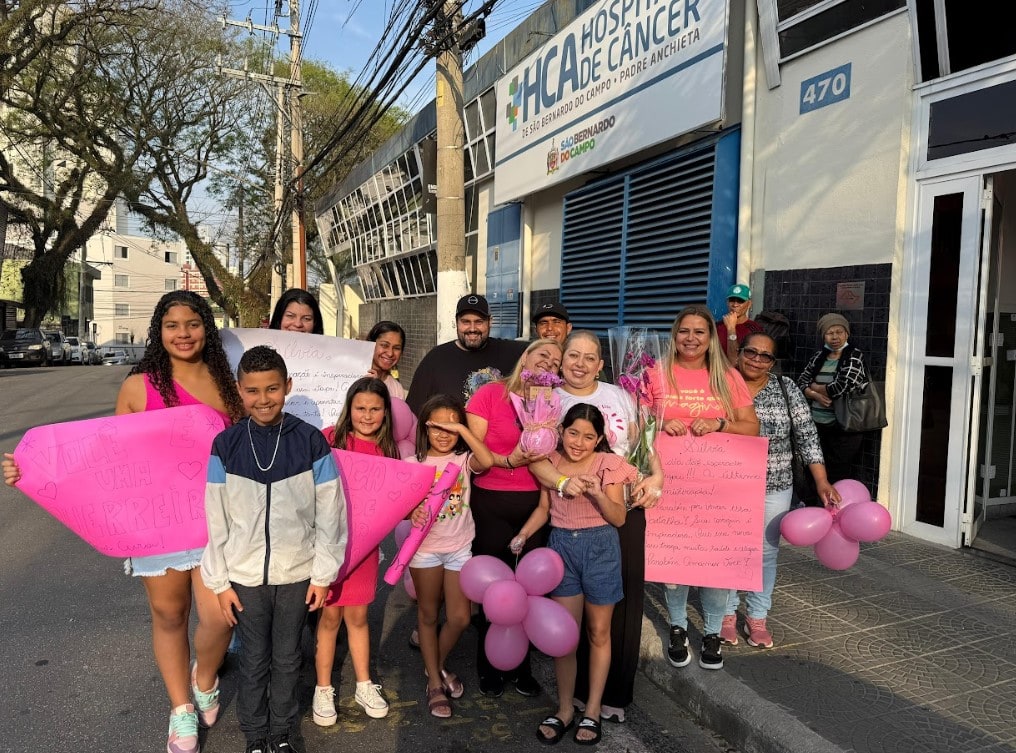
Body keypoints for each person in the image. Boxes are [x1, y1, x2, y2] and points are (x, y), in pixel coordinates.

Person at [4, 290, 245, 753]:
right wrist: (29, 471)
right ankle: (180, 710)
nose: (183, 333)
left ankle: (205, 677)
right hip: (157, 526)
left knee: (220, 618)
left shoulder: (228, 383)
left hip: (220, 522)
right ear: (160, 330)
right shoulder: (139, 386)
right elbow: (106, 462)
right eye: (172, 325)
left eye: (192, 323)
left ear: (206, 328)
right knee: (169, 614)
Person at [200, 346, 347, 753]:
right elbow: (216, 520)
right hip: (244, 576)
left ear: (288, 387)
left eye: (272, 389)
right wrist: (220, 582)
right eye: (252, 390)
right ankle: (255, 734)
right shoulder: (225, 444)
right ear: (239, 391)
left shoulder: (310, 441)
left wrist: (322, 574)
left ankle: (281, 731)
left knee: (287, 657)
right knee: (253, 658)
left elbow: (331, 513)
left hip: (297, 573)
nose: (263, 399)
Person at [552, 330, 662, 724]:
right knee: (570, 608)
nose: (580, 363)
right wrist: (563, 483)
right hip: (567, 513)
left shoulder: (620, 395)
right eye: (573, 355)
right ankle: (572, 699)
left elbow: (644, 443)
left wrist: (656, 477)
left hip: (620, 504)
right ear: (562, 359)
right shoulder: (548, 399)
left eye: (590, 357)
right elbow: (537, 457)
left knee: (617, 606)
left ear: (602, 364)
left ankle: (609, 696)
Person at [511, 404, 635, 746]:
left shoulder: (608, 465)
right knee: (565, 636)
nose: (579, 442)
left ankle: (592, 709)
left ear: (600, 440)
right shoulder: (550, 463)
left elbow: (619, 518)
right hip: (561, 548)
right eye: (573, 432)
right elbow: (543, 509)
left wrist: (595, 490)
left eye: (589, 436)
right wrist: (522, 534)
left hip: (601, 550)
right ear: (561, 431)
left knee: (598, 632)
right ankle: (565, 708)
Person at [648, 305, 759, 671]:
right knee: (675, 561)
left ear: (711, 338)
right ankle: (678, 627)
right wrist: (663, 426)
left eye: (700, 331)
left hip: (718, 490)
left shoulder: (728, 377)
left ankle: (712, 632)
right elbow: (635, 424)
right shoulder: (655, 375)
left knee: (714, 566)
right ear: (674, 335)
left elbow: (751, 427)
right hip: (671, 486)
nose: (691, 338)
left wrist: (720, 423)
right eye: (684, 331)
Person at [722, 333, 841, 648]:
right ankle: (725, 614)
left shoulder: (786, 390)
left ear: (773, 363)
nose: (757, 360)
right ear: (739, 352)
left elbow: (806, 436)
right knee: (730, 550)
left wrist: (822, 482)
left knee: (765, 553)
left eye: (765, 356)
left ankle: (757, 617)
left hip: (775, 485)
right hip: (727, 485)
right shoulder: (719, 386)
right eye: (751, 352)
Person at [465, 337, 563, 697]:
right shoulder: (490, 394)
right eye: (543, 355)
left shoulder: (553, 403)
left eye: (556, 361)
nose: (548, 363)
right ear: (526, 357)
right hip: (491, 499)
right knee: (493, 588)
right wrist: (507, 460)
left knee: (527, 587)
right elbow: (475, 456)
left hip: (534, 504)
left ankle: (521, 666)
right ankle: (488, 664)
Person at [313, 377, 397, 723]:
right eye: (360, 408)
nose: (367, 415)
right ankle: (322, 688)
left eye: (375, 409)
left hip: (364, 549)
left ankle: (364, 683)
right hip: (329, 544)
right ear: (349, 408)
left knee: (359, 617)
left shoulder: (389, 449)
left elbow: (395, 497)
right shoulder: (330, 438)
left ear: (385, 412)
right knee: (330, 617)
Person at [406, 394, 493, 718]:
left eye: (450, 427)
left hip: (459, 548)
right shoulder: (412, 463)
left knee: (460, 617)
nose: (443, 434)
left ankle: (435, 668)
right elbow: (399, 508)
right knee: (428, 615)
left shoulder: (463, 460)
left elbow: (487, 460)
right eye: (436, 426)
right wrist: (410, 512)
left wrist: (463, 429)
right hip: (425, 551)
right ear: (423, 428)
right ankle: (435, 686)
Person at [407, 294, 527, 414]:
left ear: (490, 322)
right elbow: (413, 412)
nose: (472, 328)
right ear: (457, 323)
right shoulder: (436, 359)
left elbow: (541, 348)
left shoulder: (510, 352)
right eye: (466, 322)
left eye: (479, 322)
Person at [797, 313, 870, 490]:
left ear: (847, 334)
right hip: (817, 425)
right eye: (830, 333)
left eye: (839, 332)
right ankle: (813, 508)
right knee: (814, 470)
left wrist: (814, 386)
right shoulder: (818, 357)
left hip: (843, 427)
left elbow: (840, 387)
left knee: (838, 472)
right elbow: (800, 383)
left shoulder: (854, 356)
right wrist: (814, 395)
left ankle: (836, 512)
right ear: (823, 336)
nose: (835, 337)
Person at [716, 284, 764, 363]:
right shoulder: (717, 326)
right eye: (732, 300)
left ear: (749, 304)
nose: (735, 305)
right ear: (727, 302)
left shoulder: (755, 330)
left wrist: (731, 329)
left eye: (740, 301)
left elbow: (735, 361)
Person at [365, 321, 407, 400]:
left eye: (396, 348)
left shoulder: (397, 390)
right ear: (371, 344)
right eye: (384, 345)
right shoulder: (351, 377)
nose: (390, 353)